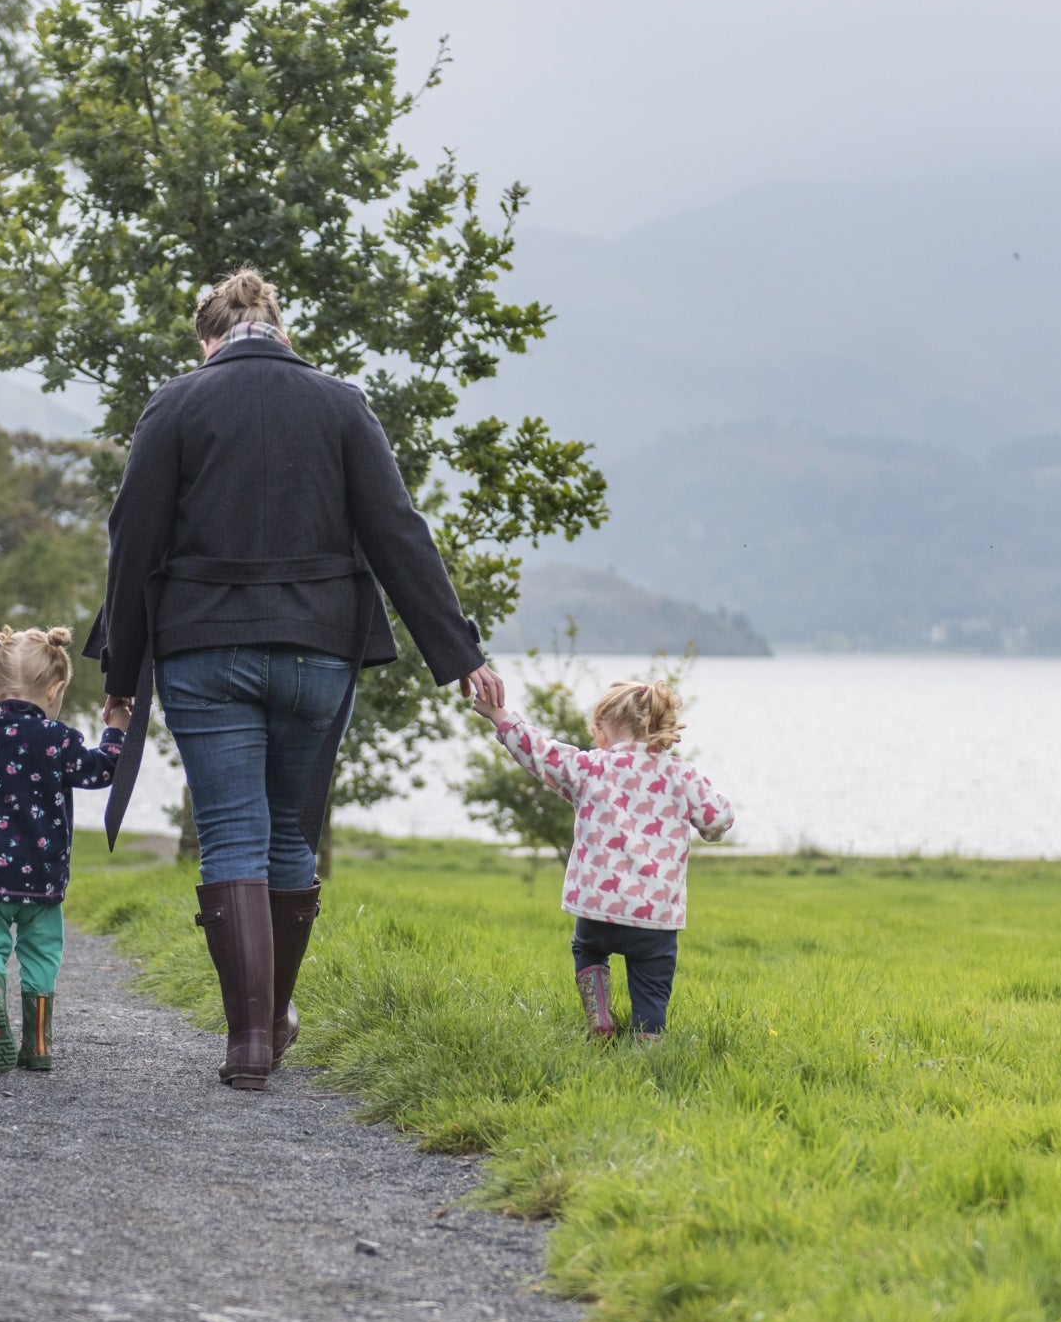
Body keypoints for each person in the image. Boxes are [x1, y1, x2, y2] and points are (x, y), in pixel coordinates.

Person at [87, 268, 504, 1090]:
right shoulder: (342, 404)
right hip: (319, 650)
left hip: (204, 650)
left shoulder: (174, 404)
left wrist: (122, 673)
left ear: (209, 338)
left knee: (234, 836)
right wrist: (460, 655)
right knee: (288, 837)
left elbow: (133, 541)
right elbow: (397, 532)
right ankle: (274, 1019)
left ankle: (248, 1042)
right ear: (280, 328)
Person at [0, 627, 128, 1072]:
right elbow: (102, 771)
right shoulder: (60, 739)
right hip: (44, 882)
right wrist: (116, 729)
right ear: (54, 688)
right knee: (41, 955)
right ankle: (38, 1044)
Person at [479, 678, 736, 1043]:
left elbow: (539, 753)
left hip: (597, 908)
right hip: (655, 919)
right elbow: (718, 821)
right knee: (652, 981)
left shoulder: (589, 768)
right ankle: (648, 1040)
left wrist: (499, 715)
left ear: (601, 731)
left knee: (587, 948)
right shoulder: (682, 776)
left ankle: (600, 1018)